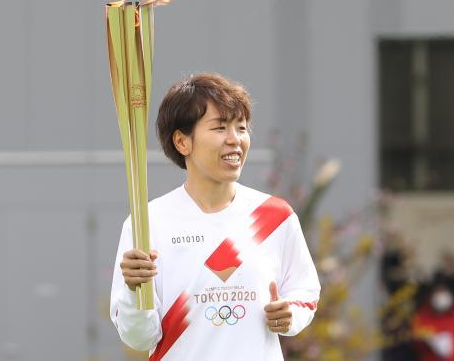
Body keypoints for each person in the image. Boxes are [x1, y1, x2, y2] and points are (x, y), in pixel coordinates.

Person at [109, 73, 321, 361]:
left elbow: (304, 289)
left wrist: (291, 314)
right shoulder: (149, 223)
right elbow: (139, 336)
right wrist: (134, 291)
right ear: (183, 142)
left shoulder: (274, 217)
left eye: (241, 127)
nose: (235, 140)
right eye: (220, 127)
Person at [413, 281, 454, 361]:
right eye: (438, 292)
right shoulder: (422, 317)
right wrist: (429, 341)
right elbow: (415, 344)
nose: (441, 297)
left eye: (443, 292)